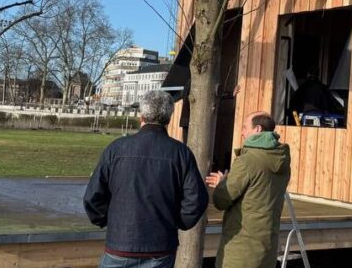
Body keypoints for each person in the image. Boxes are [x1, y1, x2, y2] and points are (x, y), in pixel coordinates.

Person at [84, 90, 208, 268]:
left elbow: (93, 196)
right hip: (159, 246)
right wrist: (176, 222)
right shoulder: (181, 153)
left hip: (121, 243)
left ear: (141, 116)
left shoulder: (116, 149)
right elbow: (196, 200)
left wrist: (108, 221)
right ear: (169, 118)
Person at [206, 111, 291, 268]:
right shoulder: (283, 160)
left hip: (241, 251)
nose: (242, 132)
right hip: (267, 249)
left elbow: (221, 200)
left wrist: (221, 184)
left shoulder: (247, 160)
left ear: (257, 129)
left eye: (245, 127)